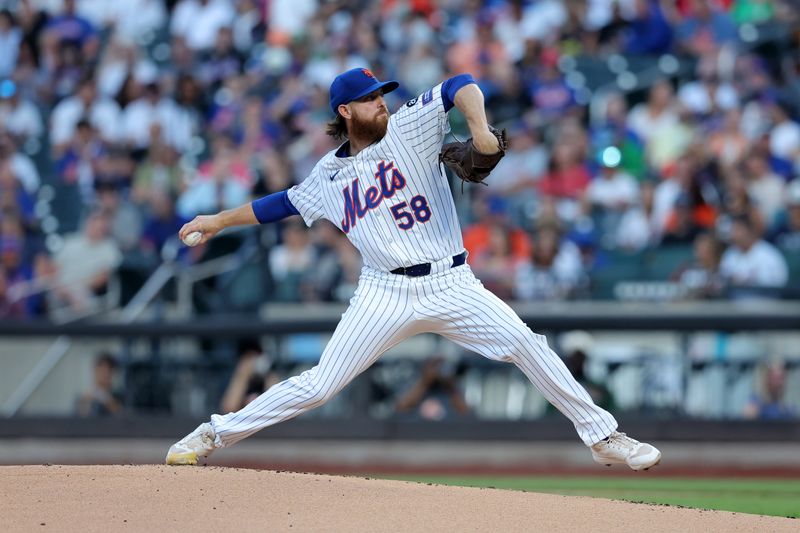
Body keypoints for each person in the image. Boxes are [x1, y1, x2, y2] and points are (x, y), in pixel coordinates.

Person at [166, 68, 662, 471]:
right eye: (369, 98)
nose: (380, 102)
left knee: (527, 345)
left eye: (381, 93)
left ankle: (603, 436)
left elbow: (460, 84)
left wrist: (481, 131)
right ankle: (214, 432)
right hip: (383, 292)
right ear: (345, 111)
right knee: (319, 385)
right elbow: (278, 205)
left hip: (451, 281)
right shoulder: (328, 175)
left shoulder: (409, 125)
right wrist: (216, 221)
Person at [76, 352, 122, 416]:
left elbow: (123, 418)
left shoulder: (119, 397)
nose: (104, 375)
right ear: (94, 371)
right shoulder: (83, 398)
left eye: (108, 371)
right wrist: (86, 401)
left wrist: (107, 400)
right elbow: (78, 420)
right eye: (101, 370)